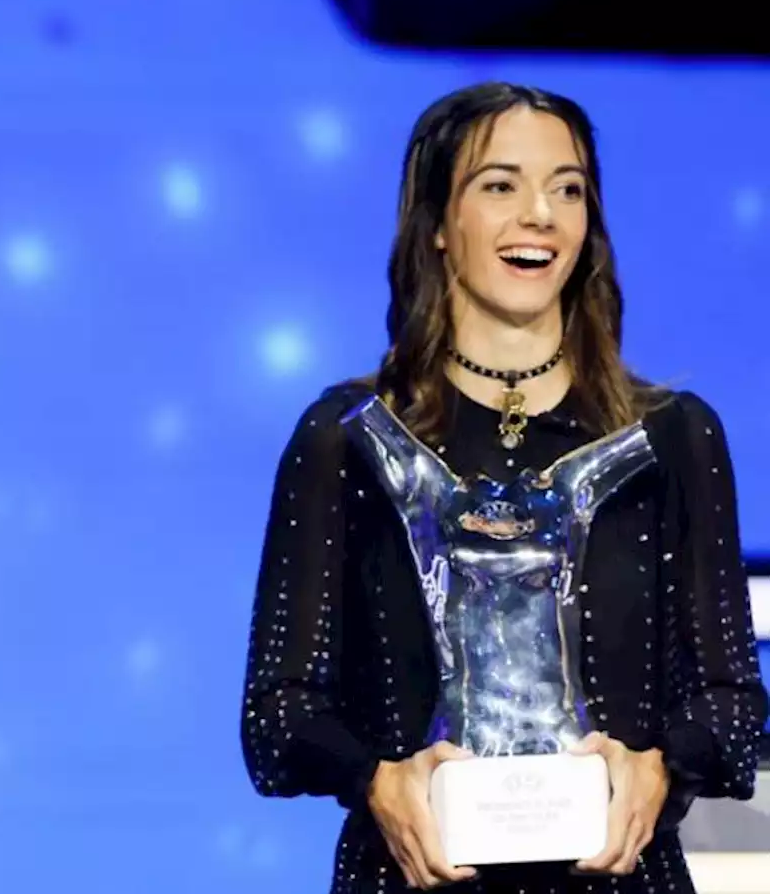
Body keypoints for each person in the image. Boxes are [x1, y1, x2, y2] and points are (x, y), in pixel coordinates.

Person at [241, 83, 767, 893]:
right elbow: (276, 717)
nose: (541, 215)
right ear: (439, 226)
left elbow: (732, 707)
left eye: (568, 188)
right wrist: (379, 780)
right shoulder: (344, 438)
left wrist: (659, 769)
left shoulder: (674, 439)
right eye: (500, 185)